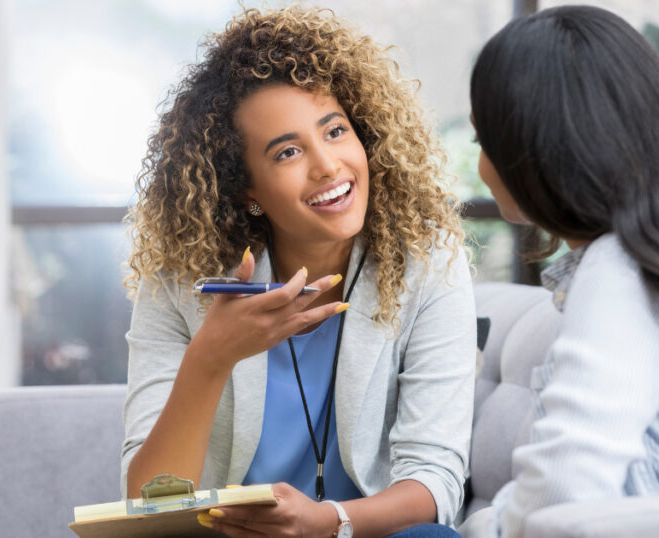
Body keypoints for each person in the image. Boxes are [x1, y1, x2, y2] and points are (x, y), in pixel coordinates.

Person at [121, 6, 476, 538]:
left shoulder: (427, 263)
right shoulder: (181, 282)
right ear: (247, 191)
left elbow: (436, 480)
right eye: (287, 152)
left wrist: (327, 521)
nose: (328, 166)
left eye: (335, 131)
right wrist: (209, 359)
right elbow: (144, 504)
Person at [466, 5, 659, 537]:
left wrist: (480, 526)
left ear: (539, 152)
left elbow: (561, 492)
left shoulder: (623, 275)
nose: (482, 164)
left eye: (483, 140)